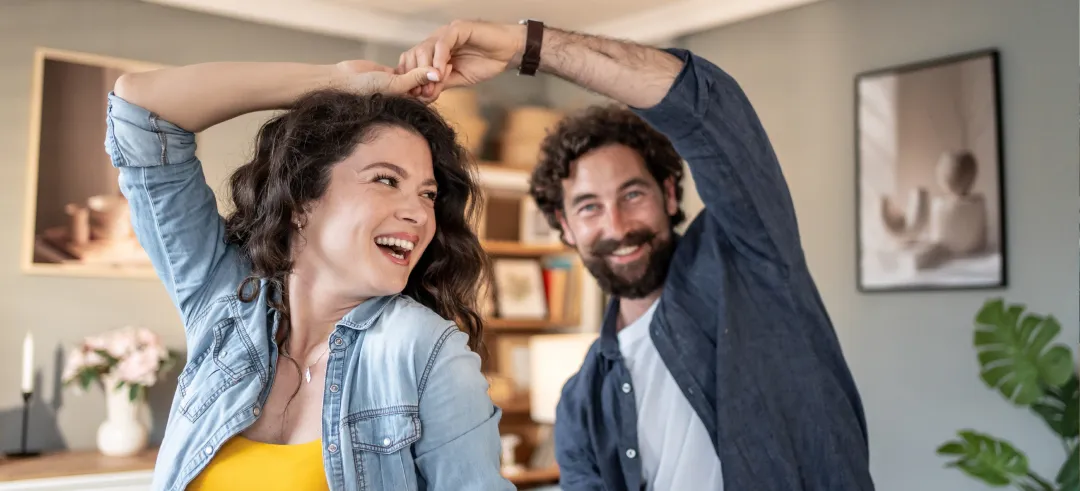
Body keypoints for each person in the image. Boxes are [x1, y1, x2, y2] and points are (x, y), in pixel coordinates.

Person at [399, 19, 874, 491]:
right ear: (565, 227)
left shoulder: (748, 259)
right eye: (589, 207)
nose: (618, 227)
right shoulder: (582, 403)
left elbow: (706, 109)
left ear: (669, 194)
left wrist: (526, 44)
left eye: (632, 195)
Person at [105, 59, 514, 490]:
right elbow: (141, 112)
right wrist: (338, 83)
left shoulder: (426, 352)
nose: (417, 212)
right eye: (386, 180)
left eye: (427, 194)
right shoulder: (223, 301)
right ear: (302, 201)